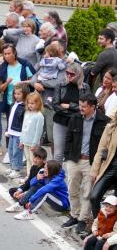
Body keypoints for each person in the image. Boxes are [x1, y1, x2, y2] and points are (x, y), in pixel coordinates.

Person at [61, 93, 109, 233]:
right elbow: (68, 138)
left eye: (84, 106)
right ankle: (74, 215)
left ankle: (82, 219)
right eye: (80, 105)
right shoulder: (75, 118)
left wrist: (100, 163)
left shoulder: (104, 121)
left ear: (93, 107)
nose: (80, 108)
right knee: (72, 189)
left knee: (87, 192)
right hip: (74, 159)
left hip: (91, 162)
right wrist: (67, 157)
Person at [50, 62, 90, 162]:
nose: (68, 75)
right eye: (67, 73)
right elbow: (55, 105)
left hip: (77, 123)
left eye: (72, 74)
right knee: (58, 153)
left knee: (73, 152)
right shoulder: (60, 85)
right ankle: (56, 176)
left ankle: (70, 176)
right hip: (61, 121)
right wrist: (75, 110)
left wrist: (69, 106)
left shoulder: (85, 88)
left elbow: (87, 107)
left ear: (79, 74)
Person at [5, 85, 28, 179]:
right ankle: (12, 167)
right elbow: (10, 119)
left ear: (24, 94)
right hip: (12, 132)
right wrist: (8, 129)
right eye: (15, 93)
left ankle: (17, 169)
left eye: (19, 94)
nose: (16, 96)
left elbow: (24, 122)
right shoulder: (13, 104)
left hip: (19, 133)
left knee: (17, 151)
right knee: (10, 150)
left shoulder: (24, 107)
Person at [20, 92, 45, 175]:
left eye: (32, 103)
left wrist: (34, 144)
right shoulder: (27, 113)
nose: (30, 105)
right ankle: (28, 176)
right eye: (28, 103)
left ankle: (33, 177)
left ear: (38, 103)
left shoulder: (39, 116)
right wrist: (21, 140)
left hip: (32, 143)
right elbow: (23, 128)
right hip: (25, 141)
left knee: (33, 160)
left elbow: (38, 132)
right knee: (27, 159)